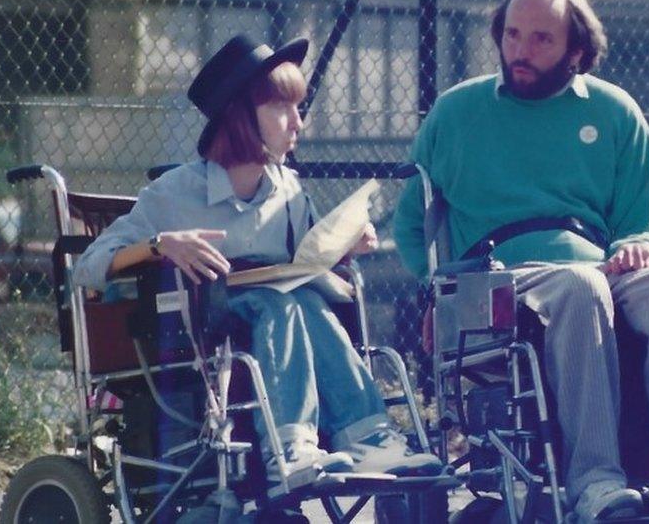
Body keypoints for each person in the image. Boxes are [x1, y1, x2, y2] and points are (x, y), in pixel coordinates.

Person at [393, 0, 649, 522]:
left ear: (576, 51)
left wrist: (636, 248)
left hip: (600, 264)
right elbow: (412, 225)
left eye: (540, 40)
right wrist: (437, 291)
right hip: (499, 272)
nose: (519, 52)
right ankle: (595, 483)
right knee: (581, 286)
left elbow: (644, 225)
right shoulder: (456, 113)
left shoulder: (616, 112)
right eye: (511, 35)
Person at [73, 34, 441, 485]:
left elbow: (304, 260)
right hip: (203, 325)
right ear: (240, 117)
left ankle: (368, 437)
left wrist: (342, 246)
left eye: (298, 108)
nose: (297, 124)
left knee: (305, 302)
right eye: (283, 109)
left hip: (278, 321)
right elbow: (88, 264)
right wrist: (161, 244)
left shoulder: (288, 191)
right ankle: (291, 446)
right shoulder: (175, 194)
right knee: (282, 303)